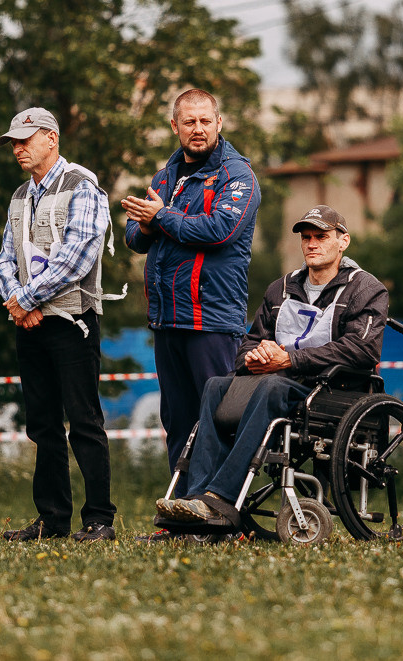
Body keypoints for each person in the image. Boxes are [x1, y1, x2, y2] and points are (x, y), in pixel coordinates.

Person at [152, 204, 388, 532]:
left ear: (343, 241)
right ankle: (196, 499)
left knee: (270, 387)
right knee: (216, 386)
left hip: (333, 389)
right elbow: (248, 344)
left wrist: (291, 359)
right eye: (306, 238)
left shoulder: (366, 288)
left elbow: (362, 350)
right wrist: (255, 356)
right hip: (278, 381)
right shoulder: (281, 288)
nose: (311, 244)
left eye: (321, 236)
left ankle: (220, 498)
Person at [121, 88, 260, 501]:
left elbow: (220, 230)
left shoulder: (239, 176)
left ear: (220, 123)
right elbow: (135, 237)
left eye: (205, 120)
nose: (197, 129)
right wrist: (148, 224)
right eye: (189, 122)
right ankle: (181, 513)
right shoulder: (166, 176)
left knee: (218, 419)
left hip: (212, 319)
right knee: (178, 422)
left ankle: (219, 510)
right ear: (175, 126)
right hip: (167, 318)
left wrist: (160, 216)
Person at [0, 107, 123, 543]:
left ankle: (99, 520)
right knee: (42, 424)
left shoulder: (83, 188)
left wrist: (25, 300)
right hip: (29, 324)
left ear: (52, 138)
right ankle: (52, 519)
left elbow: (78, 258)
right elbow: (3, 261)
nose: (18, 147)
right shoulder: (17, 196)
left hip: (73, 321)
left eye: (25, 139)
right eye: (14, 141)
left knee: (84, 421)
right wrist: (17, 303)